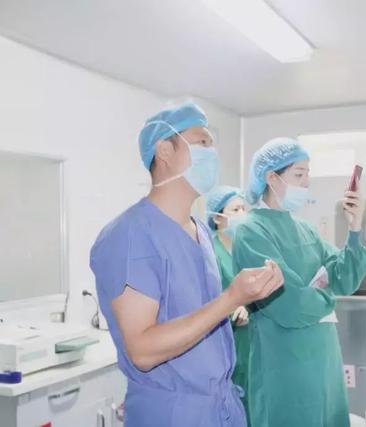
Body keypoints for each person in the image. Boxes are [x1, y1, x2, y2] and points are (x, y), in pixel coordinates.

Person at [89, 103, 283, 427]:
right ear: (164, 150)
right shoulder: (130, 235)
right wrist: (231, 298)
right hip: (173, 413)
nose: (212, 153)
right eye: (202, 142)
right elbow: (142, 350)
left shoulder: (200, 231)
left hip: (220, 408)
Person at [232, 137, 366, 427]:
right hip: (285, 369)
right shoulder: (251, 232)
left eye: (308, 173)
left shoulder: (305, 229)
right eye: (298, 174)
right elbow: (290, 304)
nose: (306, 182)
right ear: (272, 177)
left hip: (325, 364)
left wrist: (355, 226)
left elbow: (344, 278)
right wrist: (328, 296)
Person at [205, 186, 251, 421]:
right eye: (235, 209)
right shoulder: (209, 252)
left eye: (244, 208)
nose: (243, 214)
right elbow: (206, 299)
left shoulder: (249, 248)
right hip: (226, 343)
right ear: (217, 218)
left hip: (254, 342)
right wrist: (233, 307)